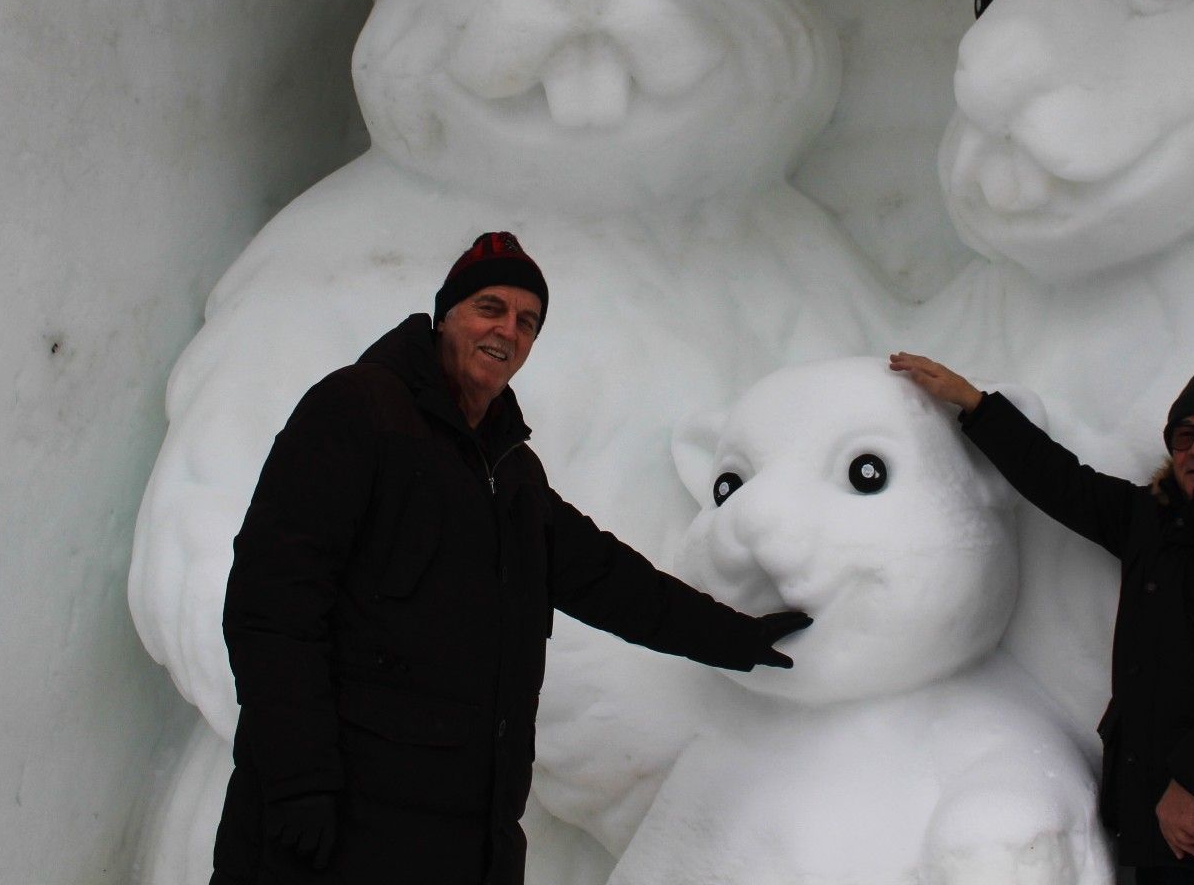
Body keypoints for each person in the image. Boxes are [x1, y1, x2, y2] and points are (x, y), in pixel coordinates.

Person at [213, 232, 810, 885]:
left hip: (461, 837)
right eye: (490, 308)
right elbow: (271, 606)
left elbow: (610, 580)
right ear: (446, 314)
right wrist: (300, 782)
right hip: (336, 823)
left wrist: (737, 636)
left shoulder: (510, 470)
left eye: (528, 322)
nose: (509, 331)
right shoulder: (357, 412)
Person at [890, 352, 1194, 885]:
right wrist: (975, 404)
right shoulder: (1153, 522)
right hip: (1162, 835)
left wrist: (1191, 783)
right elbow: (1062, 482)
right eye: (1184, 436)